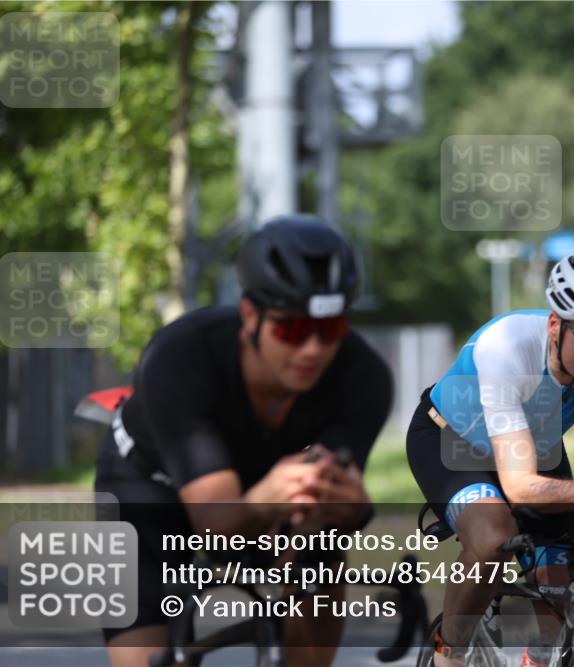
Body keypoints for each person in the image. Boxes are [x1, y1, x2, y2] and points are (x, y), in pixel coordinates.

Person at [94, 214, 393, 667]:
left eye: (331, 329)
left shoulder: (363, 377)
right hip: (151, 487)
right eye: (291, 329)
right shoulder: (180, 356)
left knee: (323, 546)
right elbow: (216, 527)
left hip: (271, 491)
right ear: (250, 315)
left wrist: (350, 512)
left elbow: (321, 516)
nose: (312, 349)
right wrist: (259, 506)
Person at [407, 250, 574, 667]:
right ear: (554, 326)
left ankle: (542, 659)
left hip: (534, 445)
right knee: (492, 536)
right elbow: (518, 486)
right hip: (451, 445)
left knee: (559, 562)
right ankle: (448, 652)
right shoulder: (506, 346)